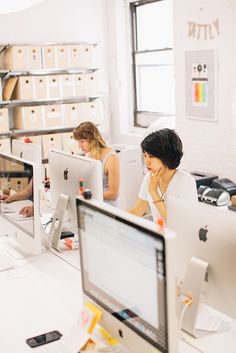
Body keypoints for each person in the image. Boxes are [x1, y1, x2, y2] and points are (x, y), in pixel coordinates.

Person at [129, 128, 197, 222]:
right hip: (158, 235)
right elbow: (137, 211)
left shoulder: (186, 181)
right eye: (145, 155)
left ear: (166, 157)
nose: (146, 161)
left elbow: (177, 223)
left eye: (151, 156)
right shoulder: (150, 177)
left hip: (178, 236)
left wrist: (153, 192)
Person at [73, 122, 120, 206]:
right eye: (78, 142)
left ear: (93, 139)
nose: (79, 146)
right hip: (92, 203)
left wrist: (87, 195)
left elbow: (113, 194)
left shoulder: (111, 158)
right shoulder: (88, 154)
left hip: (107, 208)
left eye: (82, 141)